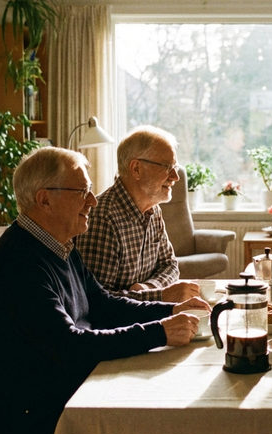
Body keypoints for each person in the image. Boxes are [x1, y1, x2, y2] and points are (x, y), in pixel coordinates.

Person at [0, 147, 210, 434]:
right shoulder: (17, 263)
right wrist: (160, 331)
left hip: (68, 386)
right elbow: (69, 347)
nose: (92, 201)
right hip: (33, 416)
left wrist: (172, 310)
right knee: (169, 421)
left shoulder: (59, 245)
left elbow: (104, 305)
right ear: (45, 199)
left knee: (175, 391)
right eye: (82, 191)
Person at [75, 125, 200, 303]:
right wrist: (160, 295)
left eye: (175, 167)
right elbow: (96, 302)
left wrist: (148, 288)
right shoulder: (103, 218)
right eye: (167, 167)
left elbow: (170, 266)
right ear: (136, 169)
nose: (175, 176)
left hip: (145, 316)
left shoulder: (153, 209)